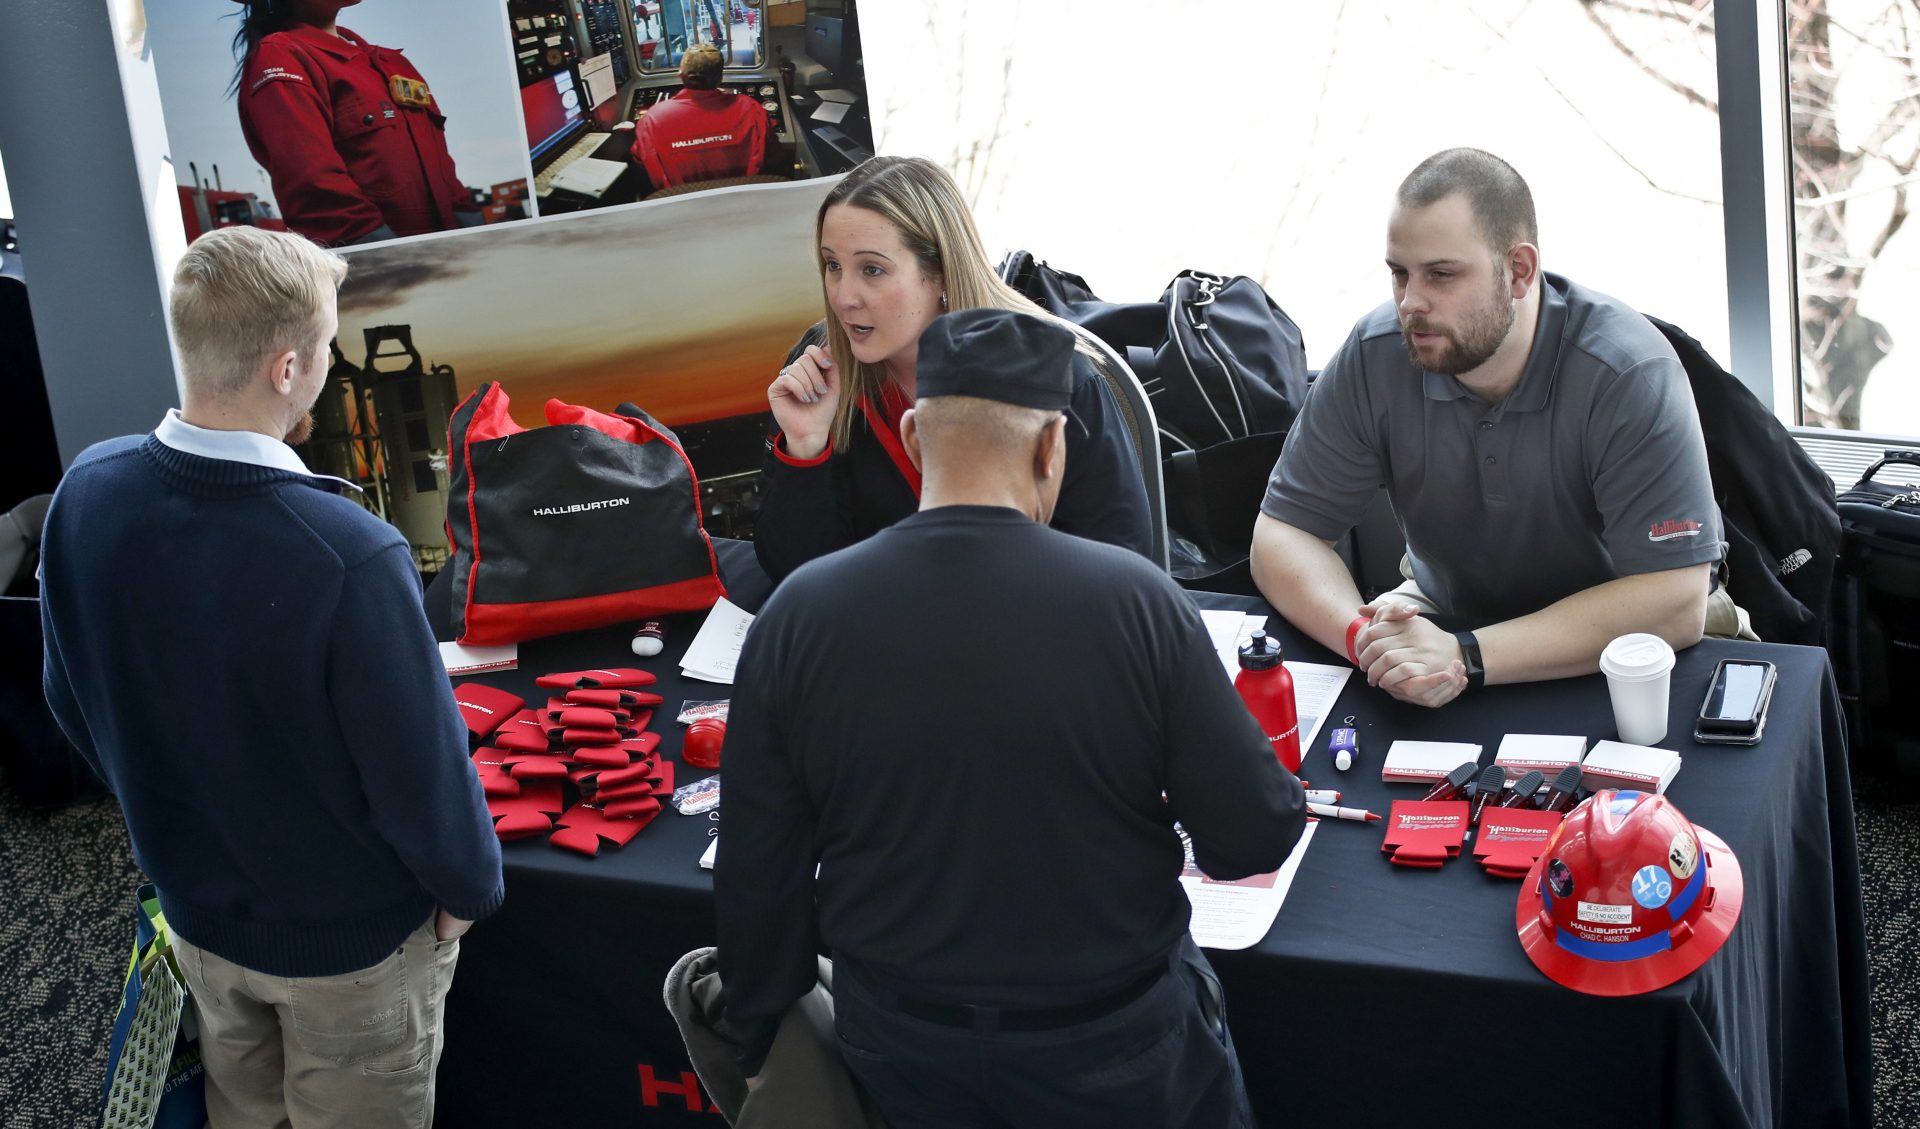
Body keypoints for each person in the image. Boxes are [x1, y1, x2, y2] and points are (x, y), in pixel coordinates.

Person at [718, 308, 1305, 1129]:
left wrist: (758, 1047)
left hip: (903, 1043)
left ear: (917, 437)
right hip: (1113, 1043)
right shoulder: (1136, 602)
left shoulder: (799, 614)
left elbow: (756, 873)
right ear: (1050, 447)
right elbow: (1250, 835)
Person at [39, 227, 503, 1129]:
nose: (331, 359)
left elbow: (70, 698)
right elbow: (420, 774)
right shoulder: (347, 553)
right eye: (328, 344)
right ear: (287, 367)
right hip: (353, 949)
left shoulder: (85, 492)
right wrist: (468, 893)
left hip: (198, 919)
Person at [1251, 147, 1736, 710]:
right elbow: (1281, 536)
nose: (1411, 303)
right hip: (1447, 620)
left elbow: (1676, 602)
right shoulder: (1375, 353)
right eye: (1399, 273)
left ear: (1520, 271)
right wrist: (1368, 645)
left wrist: (1465, 657)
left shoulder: (1626, 371)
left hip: (1622, 642)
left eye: (1441, 275)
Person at [755, 155, 1154, 584]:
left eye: (872, 269)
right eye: (833, 265)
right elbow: (794, 575)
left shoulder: (1057, 376)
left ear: (942, 272)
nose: (844, 296)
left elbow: (1121, 569)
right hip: (879, 634)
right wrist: (805, 445)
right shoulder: (821, 366)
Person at [232, 0, 483, 246]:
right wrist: (395, 259)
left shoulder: (393, 63)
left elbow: (444, 170)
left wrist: (475, 232)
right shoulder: (280, 55)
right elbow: (315, 187)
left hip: (455, 255)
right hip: (395, 270)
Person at [629, 42, 768, 190]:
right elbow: (774, 156)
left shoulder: (651, 120)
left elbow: (640, 161)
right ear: (720, 78)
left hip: (679, 208)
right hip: (743, 203)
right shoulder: (752, 109)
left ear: (681, 76)